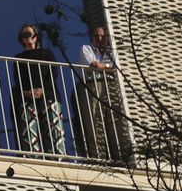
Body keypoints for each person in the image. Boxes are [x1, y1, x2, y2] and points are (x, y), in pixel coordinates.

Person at [78, 25, 131, 161]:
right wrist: (109, 67)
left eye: (103, 36)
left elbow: (118, 67)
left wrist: (105, 66)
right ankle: (100, 157)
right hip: (94, 84)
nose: (100, 39)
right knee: (96, 120)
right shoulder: (86, 49)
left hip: (112, 85)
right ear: (92, 37)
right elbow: (94, 65)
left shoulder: (111, 52)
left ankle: (120, 157)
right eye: (97, 36)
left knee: (115, 120)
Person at [13, 24, 65, 155]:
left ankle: (58, 159)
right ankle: (34, 159)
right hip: (28, 98)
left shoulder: (46, 53)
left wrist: (42, 90)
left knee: (54, 130)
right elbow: (18, 80)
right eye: (24, 34)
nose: (27, 37)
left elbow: (53, 74)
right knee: (31, 132)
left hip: (49, 96)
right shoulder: (19, 58)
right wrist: (27, 92)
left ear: (36, 36)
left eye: (29, 33)